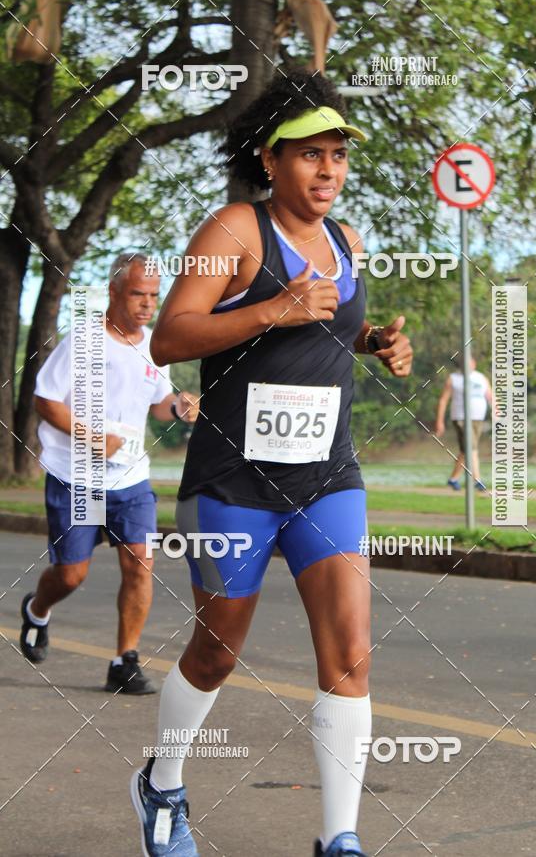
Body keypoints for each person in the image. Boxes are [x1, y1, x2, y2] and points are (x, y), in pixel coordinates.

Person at [129, 71, 413, 857]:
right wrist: (274, 308)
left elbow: (331, 330)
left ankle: (339, 837)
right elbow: (170, 338)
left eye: (338, 155)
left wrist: (376, 344)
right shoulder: (234, 231)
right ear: (270, 159)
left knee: (349, 652)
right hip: (233, 480)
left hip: (326, 477)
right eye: (310, 154)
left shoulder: (347, 241)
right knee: (217, 649)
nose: (328, 170)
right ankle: (162, 783)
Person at [19, 253, 199, 695]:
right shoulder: (83, 340)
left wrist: (179, 406)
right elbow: (45, 399)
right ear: (114, 292)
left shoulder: (154, 346)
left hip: (130, 479)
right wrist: (90, 436)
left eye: (154, 295)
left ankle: (125, 661)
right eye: (138, 293)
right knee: (71, 574)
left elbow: (158, 404)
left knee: (140, 562)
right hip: (75, 476)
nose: (148, 304)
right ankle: (37, 609)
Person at [434, 354, 493, 491]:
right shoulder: (454, 379)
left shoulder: (481, 378)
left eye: (471, 362)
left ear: (474, 363)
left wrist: (496, 410)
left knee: (466, 450)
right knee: (471, 447)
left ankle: (453, 479)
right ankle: (477, 480)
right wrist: (439, 421)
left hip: (478, 418)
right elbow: (443, 400)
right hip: (461, 417)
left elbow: (490, 395)